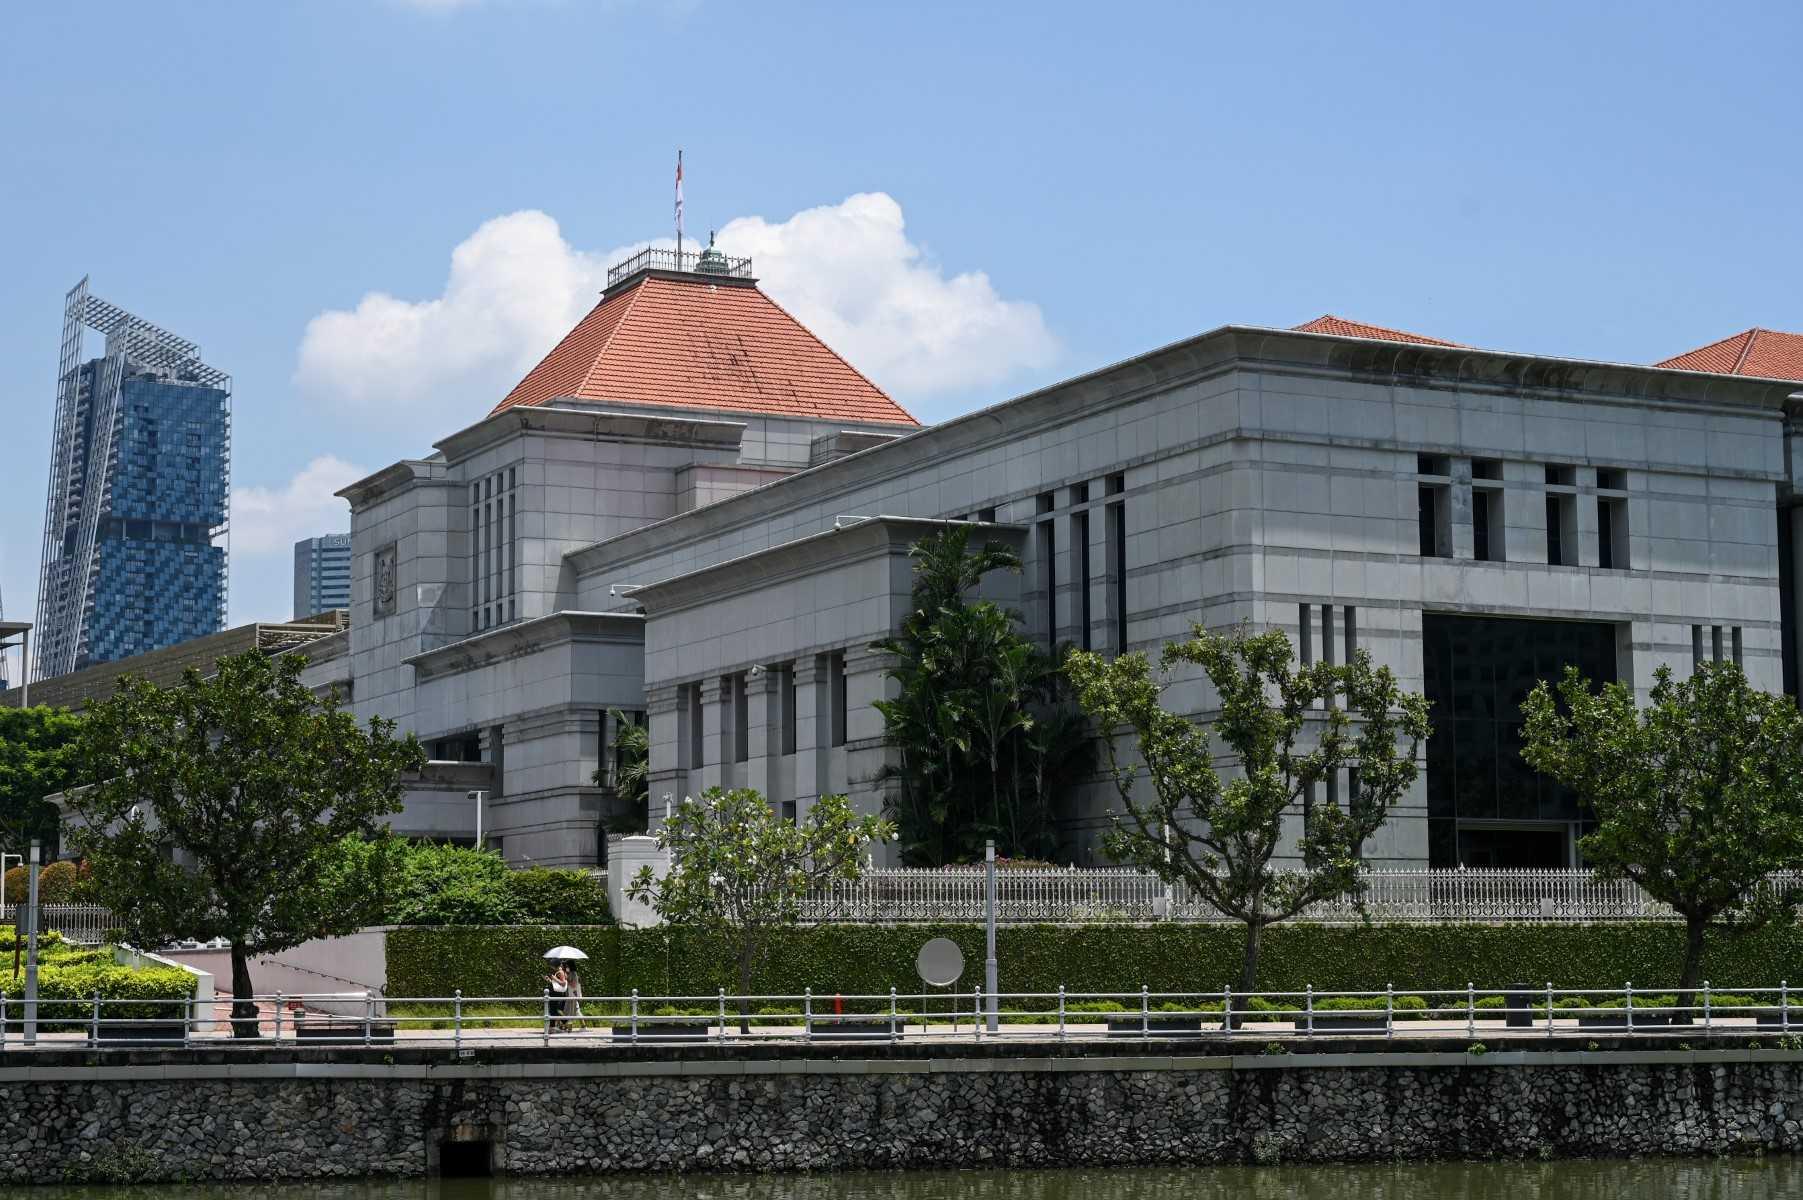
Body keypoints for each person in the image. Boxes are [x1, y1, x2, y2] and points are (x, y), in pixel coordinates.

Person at [545, 962, 570, 1031]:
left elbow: (563, 983)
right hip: (555, 992)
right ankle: (552, 1026)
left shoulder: (560, 972)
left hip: (556, 993)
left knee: (554, 1010)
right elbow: (555, 984)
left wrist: (554, 978)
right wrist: (549, 980)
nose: (551, 968)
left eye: (552, 966)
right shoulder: (558, 972)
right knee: (553, 1010)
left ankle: (566, 1021)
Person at [566, 965, 585, 1032]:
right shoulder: (573, 973)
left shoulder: (573, 974)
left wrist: (566, 979)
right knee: (576, 1010)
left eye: (567, 967)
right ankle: (583, 1025)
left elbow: (573, 985)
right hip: (573, 994)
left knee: (570, 1011)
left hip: (572, 995)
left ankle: (570, 1028)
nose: (566, 968)